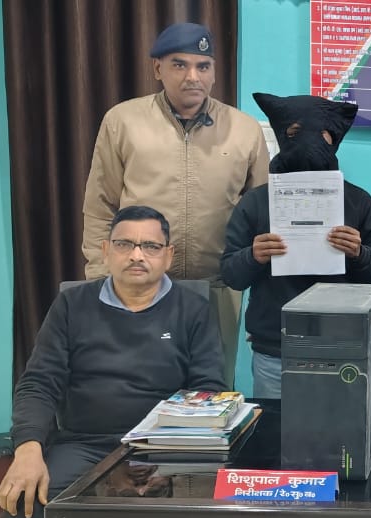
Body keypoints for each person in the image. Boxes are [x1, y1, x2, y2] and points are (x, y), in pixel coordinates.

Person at [0, 206, 225, 518]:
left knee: (205, 512)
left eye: (150, 246)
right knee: (22, 511)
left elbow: (208, 391)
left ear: (168, 256)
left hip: (163, 446)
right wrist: (27, 449)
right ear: (106, 250)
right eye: (124, 244)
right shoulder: (72, 305)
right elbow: (39, 382)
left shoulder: (193, 309)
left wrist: (170, 456)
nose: (137, 255)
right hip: (85, 443)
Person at [80, 22, 268, 386]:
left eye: (203, 66)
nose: (192, 77)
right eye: (179, 65)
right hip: (139, 283)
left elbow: (260, 213)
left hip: (217, 287)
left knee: (211, 390)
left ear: (214, 72)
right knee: (138, 387)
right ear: (158, 69)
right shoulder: (123, 122)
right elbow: (101, 204)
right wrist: (101, 276)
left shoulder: (244, 130)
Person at [222, 94, 371, 399]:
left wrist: (359, 254)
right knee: (276, 426)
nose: (309, 141)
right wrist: (253, 256)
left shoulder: (358, 201)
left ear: (334, 139)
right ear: (281, 134)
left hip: (342, 346)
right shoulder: (256, 202)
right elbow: (231, 275)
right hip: (275, 350)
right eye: (296, 132)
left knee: (340, 427)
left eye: (322, 133)